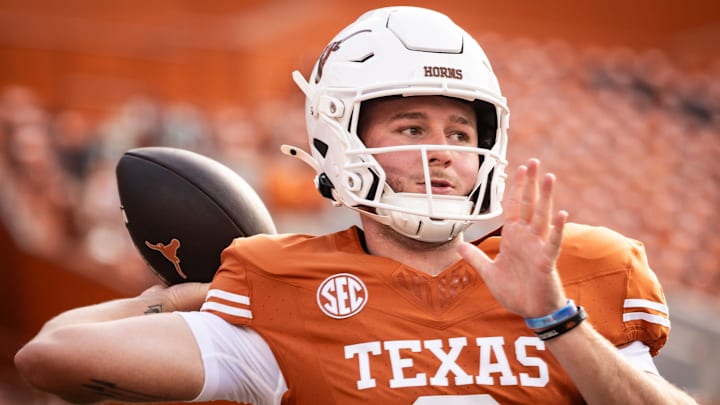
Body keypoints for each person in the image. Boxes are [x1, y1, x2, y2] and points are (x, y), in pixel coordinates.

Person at [14, 6, 697, 405]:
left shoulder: (582, 269)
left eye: (461, 132)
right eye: (411, 128)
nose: (444, 151)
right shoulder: (279, 288)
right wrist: (189, 296)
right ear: (339, 138)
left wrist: (556, 319)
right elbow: (50, 355)